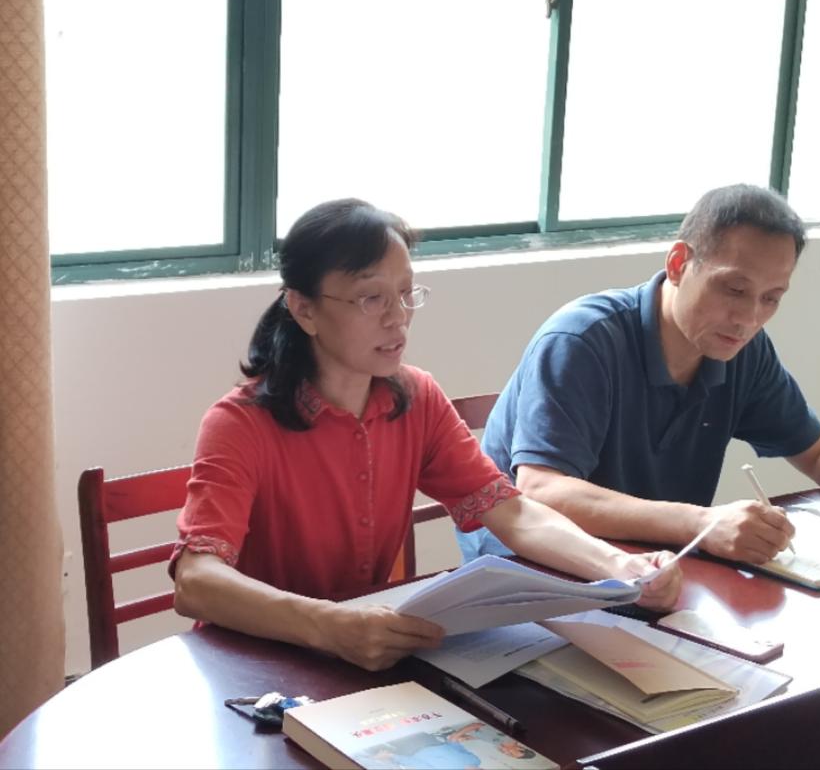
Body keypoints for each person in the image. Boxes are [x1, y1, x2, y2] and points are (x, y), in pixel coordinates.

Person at [170, 198, 681, 672]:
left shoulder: (415, 399)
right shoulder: (239, 424)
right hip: (253, 666)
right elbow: (196, 581)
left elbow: (512, 513)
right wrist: (328, 625)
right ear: (304, 309)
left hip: (361, 659)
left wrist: (620, 566)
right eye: (371, 297)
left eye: (405, 293)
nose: (397, 318)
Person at [458, 183, 820, 566]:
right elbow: (542, 491)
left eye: (771, 298)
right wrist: (702, 523)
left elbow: (818, 451)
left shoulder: (741, 352)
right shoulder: (583, 340)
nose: (749, 318)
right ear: (678, 263)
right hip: (534, 573)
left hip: (654, 568)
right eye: (734, 289)